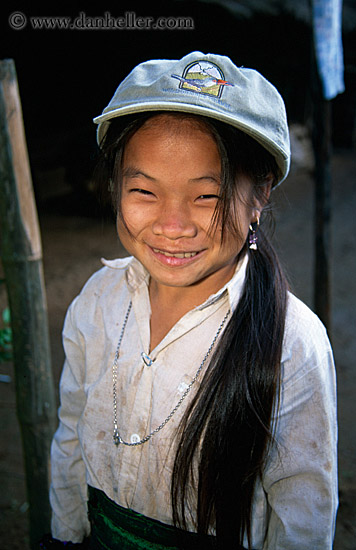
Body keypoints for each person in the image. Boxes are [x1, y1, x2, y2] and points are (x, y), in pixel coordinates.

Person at [45, 52, 338, 549]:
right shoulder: (96, 304)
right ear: (115, 184)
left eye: (207, 196)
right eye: (144, 190)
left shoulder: (292, 345)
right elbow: (71, 435)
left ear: (259, 194)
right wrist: (66, 536)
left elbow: (302, 514)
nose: (172, 225)